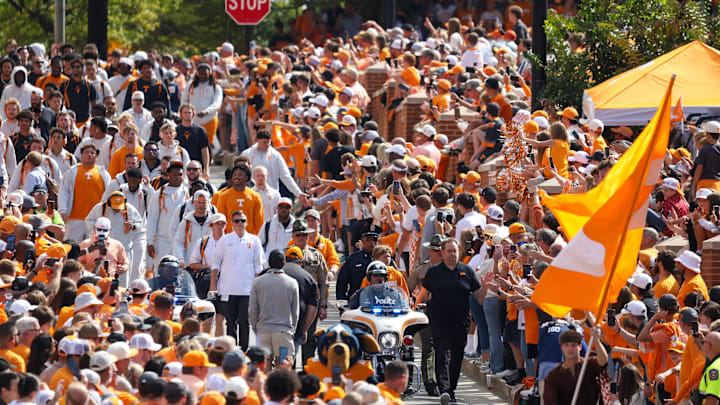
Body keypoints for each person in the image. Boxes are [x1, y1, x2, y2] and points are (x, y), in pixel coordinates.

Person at [417, 238, 487, 403]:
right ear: (442, 252)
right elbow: (423, 295)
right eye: (449, 251)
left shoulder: (467, 271)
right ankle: (444, 390)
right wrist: (419, 311)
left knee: (456, 358)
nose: (452, 254)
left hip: (460, 323)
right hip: (439, 322)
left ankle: (451, 389)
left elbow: (480, 298)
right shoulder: (434, 272)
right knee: (442, 355)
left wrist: (486, 286)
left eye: (455, 251)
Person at [210, 210, 264, 349]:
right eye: (236, 221)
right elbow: (215, 264)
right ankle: (231, 350)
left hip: (247, 290)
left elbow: (258, 266)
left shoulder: (254, 240)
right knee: (230, 322)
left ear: (246, 223)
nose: (240, 223)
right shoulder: (224, 240)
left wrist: (257, 288)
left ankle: (244, 349)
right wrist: (213, 286)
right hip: (227, 289)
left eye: (243, 220)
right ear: (231, 224)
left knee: (245, 322)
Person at [250, 249, 299, 362]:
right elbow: (295, 312)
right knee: (282, 366)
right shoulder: (292, 283)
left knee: (264, 367)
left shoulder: (258, 282)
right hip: (283, 332)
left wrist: (256, 328)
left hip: (263, 331)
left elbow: (252, 310)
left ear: (269, 263)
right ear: (284, 263)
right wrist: (292, 330)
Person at [58, 143, 111, 241]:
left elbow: (108, 194)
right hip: (75, 217)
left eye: (92, 153)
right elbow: (64, 191)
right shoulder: (72, 171)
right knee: (71, 247)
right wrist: (63, 209)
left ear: (97, 156)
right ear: (81, 155)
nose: (89, 155)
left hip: (95, 219)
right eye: (86, 152)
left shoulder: (103, 173)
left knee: (92, 249)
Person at [543, 328, 608, 405]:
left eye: (573, 345)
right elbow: (550, 401)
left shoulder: (589, 364)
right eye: (566, 345)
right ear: (562, 348)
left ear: (580, 347)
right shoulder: (553, 375)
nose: (570, 349)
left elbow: (603, 361)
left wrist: (596, 340)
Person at [147, 160, 189, 270]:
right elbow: (152, 218)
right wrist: (150, 241)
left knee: (180, 272)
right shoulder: (159, 194)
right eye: (175, 175)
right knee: (161, 270)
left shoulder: (187, 193)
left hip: (181, 241)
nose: (178, 177)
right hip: (162, 241)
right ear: (168, 175)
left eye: (180, 174)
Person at [241, 129, 303, 198]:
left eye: (269, 142)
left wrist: (299, 194)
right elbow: (241, 175)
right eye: (264, 142)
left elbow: (286, 176)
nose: (267, 145)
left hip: (271, 197)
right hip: (251, 195)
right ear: (257, 140)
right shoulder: (247, 154)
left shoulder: (276, 155)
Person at [215, 164, 264, 235]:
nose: (236, 177)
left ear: (247, 177)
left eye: (240, 175)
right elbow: (220, 220)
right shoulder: (224, 196)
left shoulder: (255, 196)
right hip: (229, 238)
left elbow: (259, 221)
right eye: (234, 175)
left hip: (249, 239)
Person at [175, 104, 211, 177]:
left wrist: (206, 169)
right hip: (181, 166)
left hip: (197, 166)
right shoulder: (175, 131)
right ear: (181, 114)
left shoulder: (200, 130)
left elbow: (205, 150)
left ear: (193, 114)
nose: (187, 115)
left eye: (189, 112)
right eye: (185, 112)